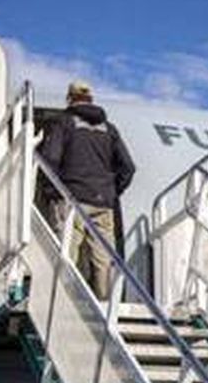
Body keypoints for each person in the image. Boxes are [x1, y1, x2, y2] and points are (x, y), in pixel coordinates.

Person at [37, 80, 136, 299]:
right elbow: (128, 168)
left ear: (69, 98)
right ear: (91, 99)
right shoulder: (109, 129)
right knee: (103, 258)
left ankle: (63, 300)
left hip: (72, 199)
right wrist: (111, 191)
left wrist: (51, 191)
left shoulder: (64, 123)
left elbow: (50, 159)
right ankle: (105, 304)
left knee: (66, 253)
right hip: (103, 203)